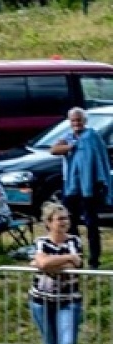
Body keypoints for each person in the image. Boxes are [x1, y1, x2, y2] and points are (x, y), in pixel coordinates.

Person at [30, 202, 85, 344]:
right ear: (48, 222)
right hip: (42, 300)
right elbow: (44, 263)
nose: (64, 222)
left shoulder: (74, 242)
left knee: (67, 343)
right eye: (59, 219)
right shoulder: (41, 242)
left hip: (69, 300)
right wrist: (63, 260)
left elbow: (76, 262)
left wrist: (44, 263)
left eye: (66, 218)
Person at [50, 106, 110, 270]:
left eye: (79, 120)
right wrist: (69, 147)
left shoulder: (92, 136)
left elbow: (100, 159)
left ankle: (94, 260)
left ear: (84, 121)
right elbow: (53, 150)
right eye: (73, 120)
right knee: (70, 222)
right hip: (72, 187)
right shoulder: (68, 137)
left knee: (91, 223)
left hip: (90, 187)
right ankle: (76, 255)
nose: (76, 123)